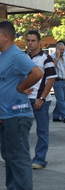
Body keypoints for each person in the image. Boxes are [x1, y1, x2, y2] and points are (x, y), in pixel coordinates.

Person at [0, 21, 43, 190]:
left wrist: (20, 88)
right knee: (8, 155)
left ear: (6, 37)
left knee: (18, 156)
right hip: (3, 114)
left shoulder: (16, 56)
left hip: (17, 114)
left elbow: (37, 73)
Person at [25, 31, 56, 170]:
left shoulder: (46, 58)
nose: (30, 43)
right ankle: (22, 158)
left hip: (40, 99)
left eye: (33, 40)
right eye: (28, 40)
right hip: (26, 99)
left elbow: (51, 79)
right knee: (22, 130)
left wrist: (42, 98)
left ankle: (40, 159)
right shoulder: (24, 57)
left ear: (39, 42)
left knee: (42, 131)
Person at [51, 42, 65, 121]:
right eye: (60, 50)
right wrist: (57, 57)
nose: (62, 51)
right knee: (60, 99)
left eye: (63, 49)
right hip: (57, 81)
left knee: (62, 99)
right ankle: (64, 115)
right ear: (56, 49)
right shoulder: (52, 56)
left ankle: (56, 115)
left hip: (64, 80)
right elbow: (52, 67)